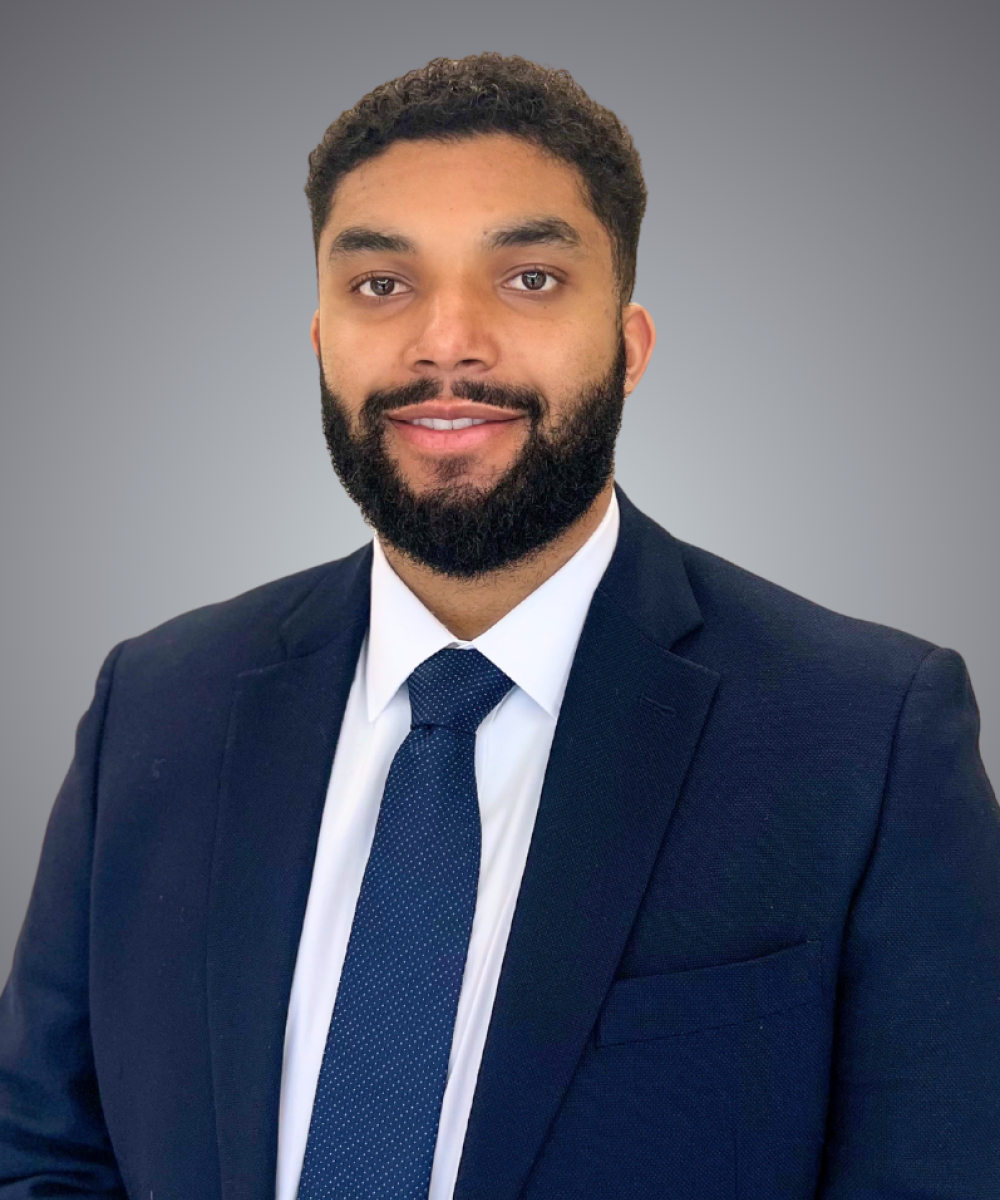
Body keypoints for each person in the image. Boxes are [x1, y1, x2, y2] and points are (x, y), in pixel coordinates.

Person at [1, 52, 997, 1200]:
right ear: (321, 341)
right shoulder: (155, 704)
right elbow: (41, 1156)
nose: (447, 341)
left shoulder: (866, 737)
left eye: (528, 278)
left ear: (628, 346)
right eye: (382, 284)